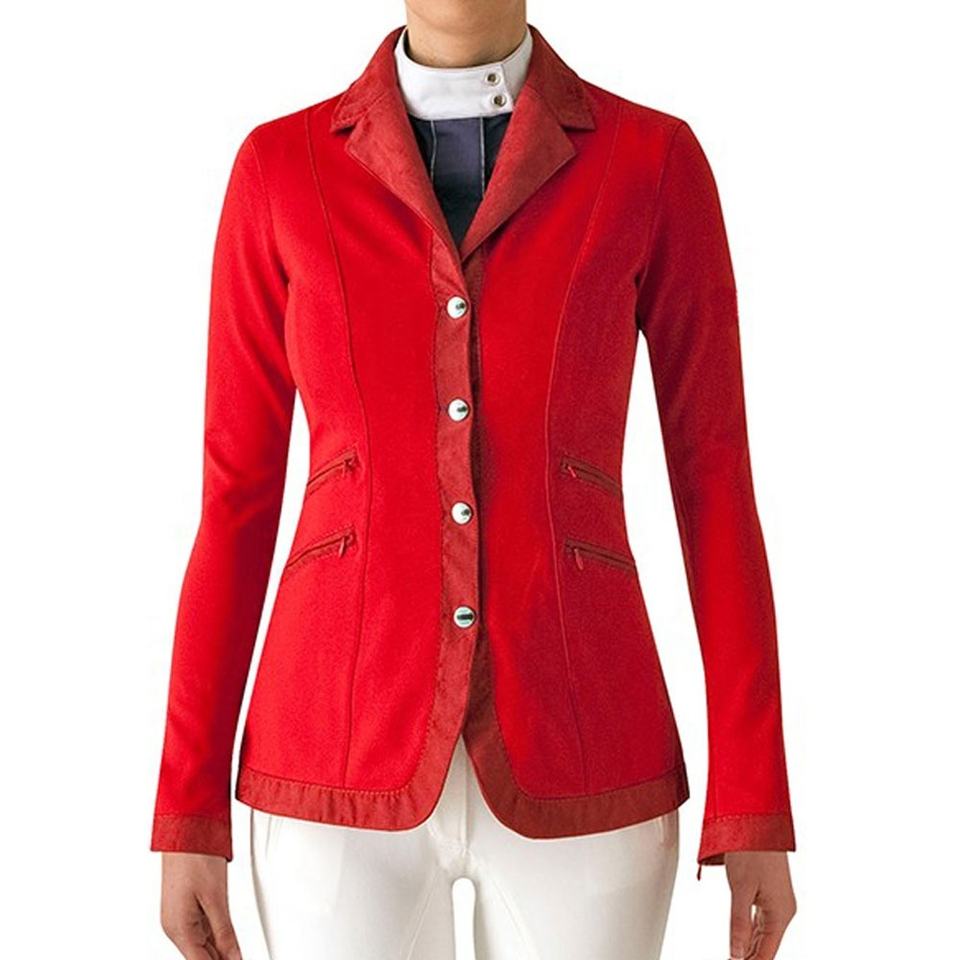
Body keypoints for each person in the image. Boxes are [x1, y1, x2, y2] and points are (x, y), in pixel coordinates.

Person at [152, 3, 798, 958]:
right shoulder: (280, 169)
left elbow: (715, 487)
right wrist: (187, 810)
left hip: (586, 745)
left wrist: (753, 801)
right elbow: (235, 498)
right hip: (333, 754)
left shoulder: (652, 161)